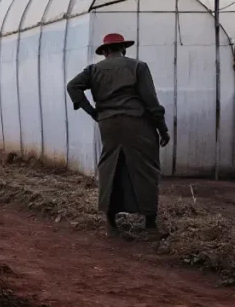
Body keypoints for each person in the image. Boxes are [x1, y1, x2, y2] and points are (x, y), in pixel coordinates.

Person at [66, 33, 170, 240]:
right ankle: (149, 226)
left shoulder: (94, 70)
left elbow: (72, 86)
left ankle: (111, 226)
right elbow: (150, 100)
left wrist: (94, 112)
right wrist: (162, 128)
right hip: (137, 123)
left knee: (111, 167)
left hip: (109, 125)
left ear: (105, 52)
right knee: (145, 169)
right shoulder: (138, 66)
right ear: (123, 49)